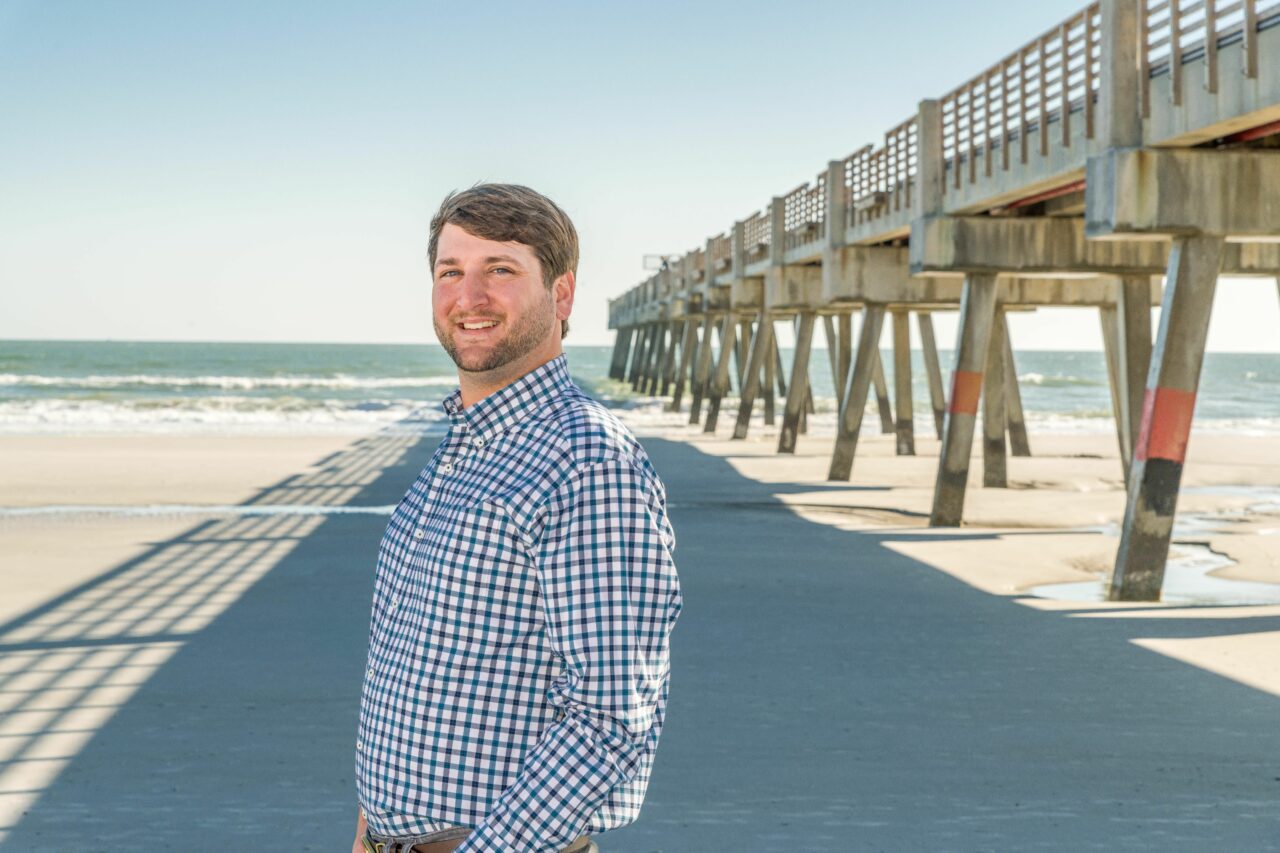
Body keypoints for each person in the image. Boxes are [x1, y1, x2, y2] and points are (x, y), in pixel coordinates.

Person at [353, 183, 682, 853]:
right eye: (451, 272)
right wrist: (371, 833)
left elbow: (612, 714)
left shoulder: (584, 459)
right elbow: (409, 669)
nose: (468, 296)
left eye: (499, 270)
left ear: (560, 295)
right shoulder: (464, 449)